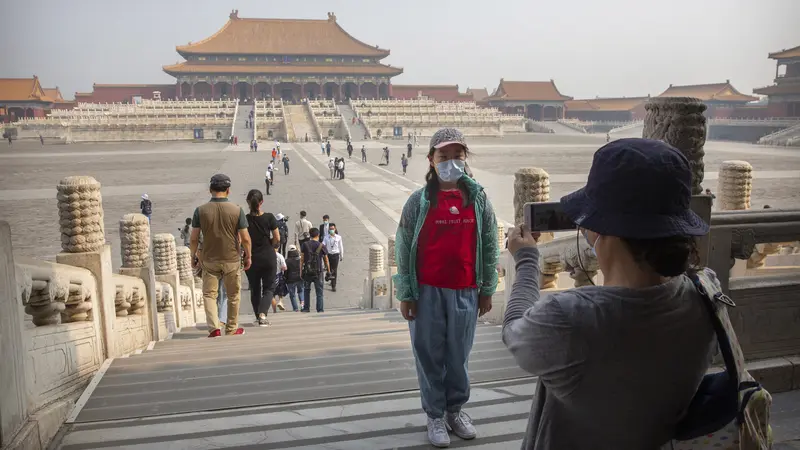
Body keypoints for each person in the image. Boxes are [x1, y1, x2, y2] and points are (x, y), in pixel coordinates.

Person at [504, 138, 715, 450]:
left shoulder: (569, 318)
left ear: (606, 231)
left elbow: (513, 333)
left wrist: (525, 260)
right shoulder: (706, 292)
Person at [394, 128, 499, 448]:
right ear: (431, 160)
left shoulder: (478, 198)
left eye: (458, 156)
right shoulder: (419, 200)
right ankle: (435, 415)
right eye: (444, 156)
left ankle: (455, 410)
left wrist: (488, 288)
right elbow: (403, 243)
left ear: (466, 160)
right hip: (427, 290)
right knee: (428, 355)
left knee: (459, 356)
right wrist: (406, 293)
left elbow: (490, 243)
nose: (451, 162)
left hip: (466, 288)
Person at [190, 173, 251, 337]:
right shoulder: (237, 210)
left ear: (210, 189)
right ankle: (231, 328)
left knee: (209, 295)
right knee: (233, 295)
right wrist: (248, 256)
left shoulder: (200, 211)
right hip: (231, 259)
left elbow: (194, 238)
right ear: (228, 191)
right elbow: (245, 238)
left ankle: (214, 328)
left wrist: (193, 256)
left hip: (209, 260)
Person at [243, 189, 279, 327]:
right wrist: (272, 245)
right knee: (269, 288)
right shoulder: (269, 217)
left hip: (251, 258)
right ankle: (263, 314)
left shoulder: (245, 219)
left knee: (255, 288)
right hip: (268, 256)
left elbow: (241, 239)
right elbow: (277, 238)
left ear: (248, 202)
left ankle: (258, 316)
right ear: (261, 202)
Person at [301, 228, 330, 313]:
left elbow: (302, 259)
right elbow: (326, 260)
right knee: (319, 292)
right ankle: (320, 309)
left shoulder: (305, 244)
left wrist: (300, 271)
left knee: (306, 290)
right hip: (318, 271)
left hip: (307, 271)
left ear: (310, 235)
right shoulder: (321, 245)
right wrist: (328, 270)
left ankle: (306, 308)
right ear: (318, 235)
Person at [322, 223, 343, 292]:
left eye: (333, 229)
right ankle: (329, 277)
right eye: (330, 229)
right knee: (329, 269)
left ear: (335, 229)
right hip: (328, 255)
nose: (331, 230)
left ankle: (334, 285)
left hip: (336, 255)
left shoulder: (338, 237)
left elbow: (341, 247)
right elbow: (323, 245)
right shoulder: (326, 237)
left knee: (335, 270)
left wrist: (341, 255)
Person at [285, 244, 303, 311]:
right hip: (300, 278)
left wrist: (285, 279)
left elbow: (285, 272)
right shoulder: (300, 258)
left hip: (290, 280)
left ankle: (295, 309)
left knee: (292, 295)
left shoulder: (287, 261)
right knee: (301, 292)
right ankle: (302, 306)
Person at [272, 242, 288, 312]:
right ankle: (280, 301)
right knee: (280, 291)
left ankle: (274, 310)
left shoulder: (268, 255)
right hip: (278, 275)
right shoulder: (280, 256)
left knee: (271, 294)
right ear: (278, 248)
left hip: (270, 276)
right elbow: (285, 267)